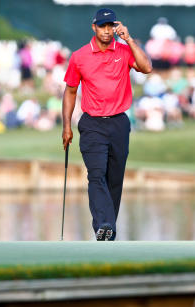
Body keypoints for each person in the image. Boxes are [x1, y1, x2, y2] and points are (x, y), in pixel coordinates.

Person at [62, 8, 152, 241]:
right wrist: (66, 126)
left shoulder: (124, 51)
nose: (106, 30)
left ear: (115, 27)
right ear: (94, 28)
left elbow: (147, 68)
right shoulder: (80, 56)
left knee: (114, 178)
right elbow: (70, 91)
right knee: (96, 175)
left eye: (110, 26)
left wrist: (129, 39)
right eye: (102, 26)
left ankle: (107, 231)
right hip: (92, 124)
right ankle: (104, 224)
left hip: (119, 123)